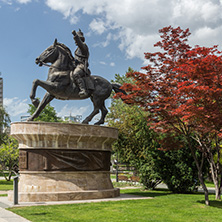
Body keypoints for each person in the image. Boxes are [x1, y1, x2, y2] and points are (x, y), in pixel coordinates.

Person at [71, 29, 91, 97]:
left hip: (81, 65)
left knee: (76, 74)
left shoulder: (83, 46)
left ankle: (83, 90)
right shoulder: (77, 49)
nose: (75, 42)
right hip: (76, 65)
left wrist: (75, 35)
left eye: (77, 40)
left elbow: (79, 43)